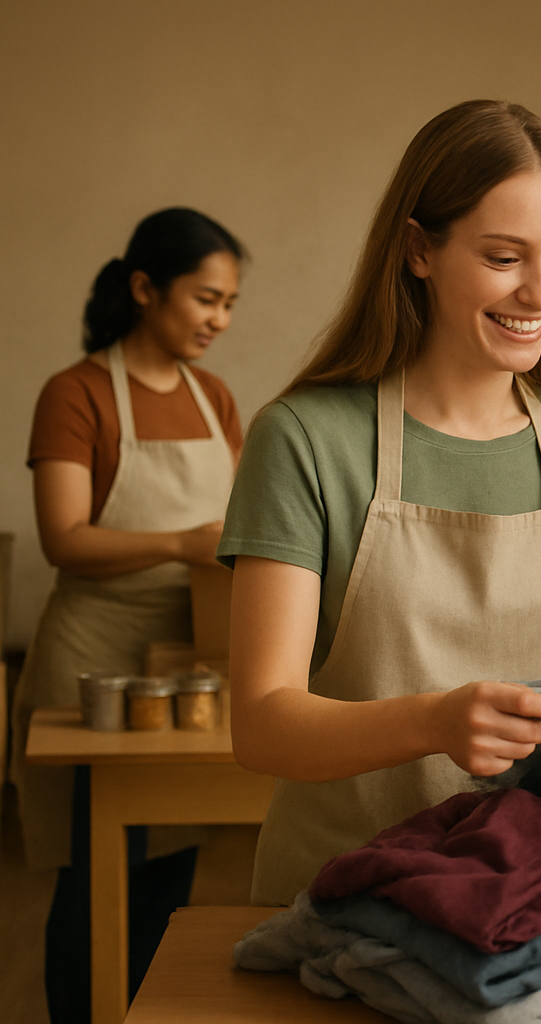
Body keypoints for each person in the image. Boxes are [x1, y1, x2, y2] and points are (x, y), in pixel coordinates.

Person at [218, 100, 541, 907]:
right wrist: (434, 723)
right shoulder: (305, 439)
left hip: (525, 900)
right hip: (340, 905)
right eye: (503, 257)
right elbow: (262, 722)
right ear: (419, 249)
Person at [12, 207, 246, 1021]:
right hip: (95, 663)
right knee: (94, 875)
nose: (218, 320)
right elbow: (65, 539)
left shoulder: (215, 398)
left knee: (169, 870)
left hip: (189, 660)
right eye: (205, 299)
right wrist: (186, 541)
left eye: (229, 305)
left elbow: (244, 527)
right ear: (145, 288)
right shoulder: (75, 393)